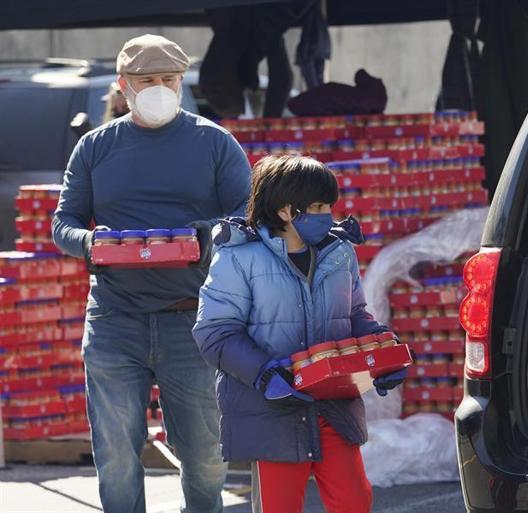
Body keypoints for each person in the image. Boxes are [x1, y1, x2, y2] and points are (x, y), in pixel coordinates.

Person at [52, 34, 251, 513]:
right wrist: (91, 244)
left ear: (182, 82)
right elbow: (64, 223)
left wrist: (202, 237)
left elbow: (246, 214)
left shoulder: (214, 142)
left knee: (205, 456)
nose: (159, 88)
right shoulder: (95, 147)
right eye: (146, 81)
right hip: (115, 319)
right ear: (124, 86)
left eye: (168, 79)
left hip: (195, 320)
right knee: (117, 455)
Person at [192, 155, 407, 513]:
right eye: (318, 206)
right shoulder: (238, 257)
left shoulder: (340, 253)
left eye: (329, 205)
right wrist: (265, 373)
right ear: (285, 211)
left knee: (354, 502)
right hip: (271, 410)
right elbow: (214, 332)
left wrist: (383, 352)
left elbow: (354, 315)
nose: (328, 214)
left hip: (334, 406)